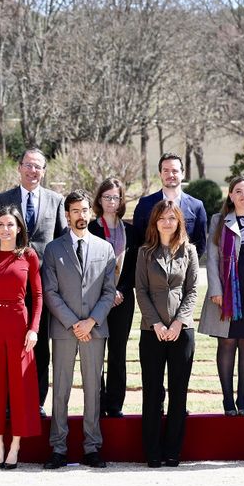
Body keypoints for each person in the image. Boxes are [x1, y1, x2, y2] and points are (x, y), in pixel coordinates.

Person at [41, 190, 117, 470]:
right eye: (75, 211)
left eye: (85, 210)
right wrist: (74, 323)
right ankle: (58, 448)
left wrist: (91, 321)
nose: (81, 215)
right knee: (60, 390)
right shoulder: (53, 249)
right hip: (64, 330)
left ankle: (92, 446)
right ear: (67, 215)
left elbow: (109, 292)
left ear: (90, 212)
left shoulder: (104, 248)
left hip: (95, 330)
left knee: (93, 389)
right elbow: (49, 292)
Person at [0, 149, 66, 416]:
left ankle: (37, 401)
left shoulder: (56, 200)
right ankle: (10, 401)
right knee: (10, 345)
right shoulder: (3, 199)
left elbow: (62, 240)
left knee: (39, 345)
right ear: (19, 167)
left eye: (38, 167)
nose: (33, 171)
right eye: (28, 166)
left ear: (44, 171)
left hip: (43, 286)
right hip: (10, 287)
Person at [197, 175, 244, 416]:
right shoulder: (219, 220)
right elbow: (212, 257)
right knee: (228, 342)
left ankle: (243, 401)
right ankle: (228, 400)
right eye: (239, 191)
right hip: (229, 294)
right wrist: (216, 289)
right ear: (230, 195)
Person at [0, 206, 42, 468]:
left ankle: (15, 447)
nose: (5, 229)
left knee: (20, 388)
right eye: (1, 224)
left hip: (19, 326)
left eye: (10, 224)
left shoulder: (29, 256)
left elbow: (37, 296)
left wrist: (34, 328)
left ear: (19, 228)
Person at [133, 200, 199, 468]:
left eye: (172, 218)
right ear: (155, 222)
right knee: (152, 392)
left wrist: (177, 324)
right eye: (162, 218)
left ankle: (173, 451)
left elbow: (192, 290)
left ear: (179, 222)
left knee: (178, 392)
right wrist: (158, 325)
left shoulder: (190, 251)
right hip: (152, 332)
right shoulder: (144, 253)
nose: (167, 222)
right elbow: (141, 290)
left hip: (181, 332)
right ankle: (153, 452)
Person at [88, 177, 138, 418]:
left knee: (118, 351)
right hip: (96, 300)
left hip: (123, 299)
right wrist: (106, 292)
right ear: (99, 200)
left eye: (115, 197)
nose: (111, 201)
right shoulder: (90, 229)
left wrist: (122, 290)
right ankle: (97, 400)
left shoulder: (131, 231)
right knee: (96, 351)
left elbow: (135, 267)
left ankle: (115, 403)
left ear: (121, 201)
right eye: (106, 197)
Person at [132, 152, 208, 258]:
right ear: (160, 174)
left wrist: (188, 266)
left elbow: (200, 244)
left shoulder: (197, 206)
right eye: (166, 170)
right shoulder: (145, 204)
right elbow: (137, 239)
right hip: (151, 269)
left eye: (175, 171)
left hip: (184, 270)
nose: (170, 175)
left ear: (183, 174)